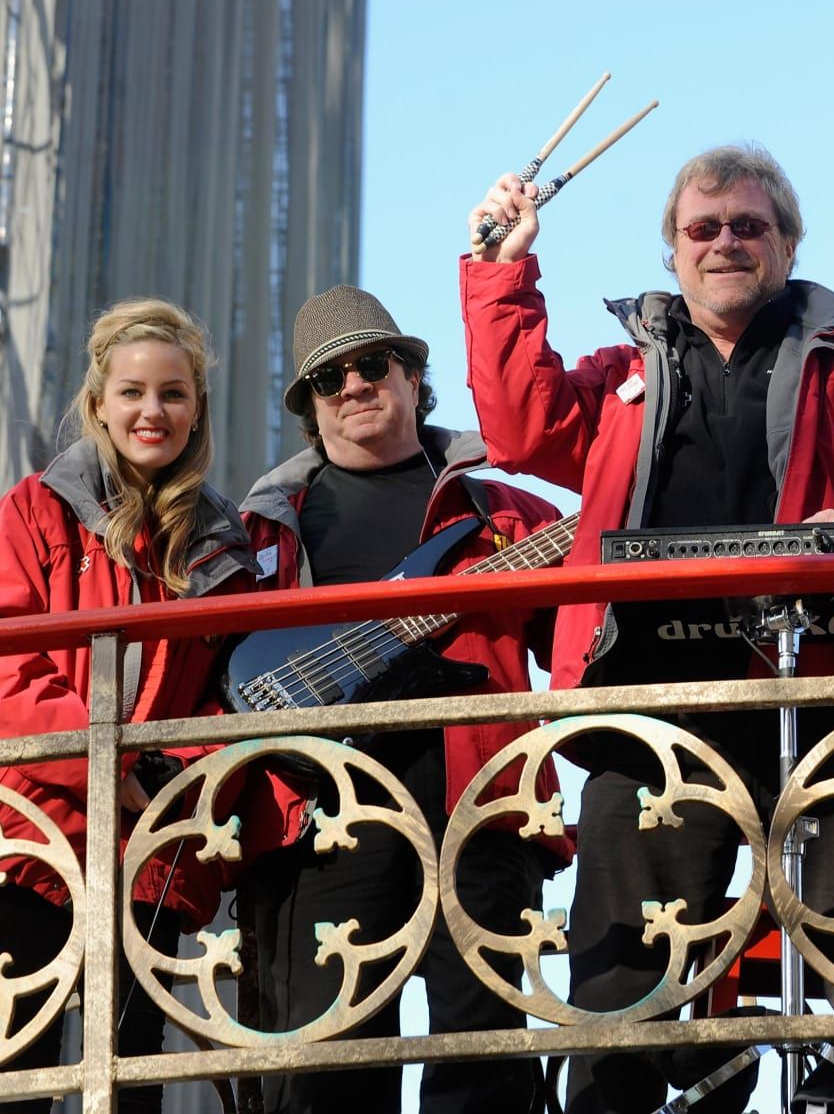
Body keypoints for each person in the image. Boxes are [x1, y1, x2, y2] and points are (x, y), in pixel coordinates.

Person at [461, 145, 834, 1114]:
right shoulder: (629, 372)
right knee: (622, 944)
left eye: (749, 226)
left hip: (819, 684)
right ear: (672, 253)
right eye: (702, 229)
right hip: (658, 700)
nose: (725, 243)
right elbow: (523, 425)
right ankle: (616, 1100)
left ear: (789, 242)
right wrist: (502, 272)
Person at [237, 284, 566, 1114]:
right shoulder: (264, 530)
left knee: (482, 1055)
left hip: (478, 804)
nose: (352, 385)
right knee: (325, 1066)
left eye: (371, 363)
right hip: (324, 813)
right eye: (328, 379)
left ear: (414, 376)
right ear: (312, 408)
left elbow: (582, 639)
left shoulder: (497, 508)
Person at [0, 299, 261, 1112]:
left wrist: (170, 778)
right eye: (134, 392)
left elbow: (233, 698)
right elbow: (10, 669)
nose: (153, 411)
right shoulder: (34, 509)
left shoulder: (223, 546)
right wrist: (108, 764)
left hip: (149, 849)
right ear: (99, 404)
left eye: (174, 394)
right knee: (16, 1071)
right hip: (32, 840)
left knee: (133, 1076)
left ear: (197, 409)